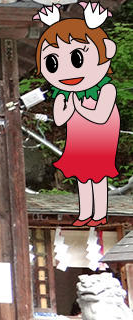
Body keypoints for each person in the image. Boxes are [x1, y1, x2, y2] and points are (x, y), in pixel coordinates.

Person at [35, 2, 120, 227]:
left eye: (76, 59)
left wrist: (78, 107)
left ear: (106, 52)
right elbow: (60, 119)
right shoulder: (65, 94)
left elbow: (101, 116)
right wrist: (63, 104)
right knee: (83, 176)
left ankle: (99, 212)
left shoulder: (106, 89)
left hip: (99, 140)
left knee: (98, 177)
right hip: (79, 140)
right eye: (52, 62)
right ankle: (85, 213)